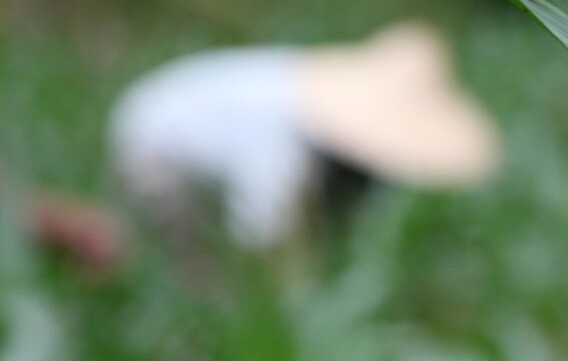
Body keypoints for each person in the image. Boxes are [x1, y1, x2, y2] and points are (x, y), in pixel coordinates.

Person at [108, 22, 501, 250]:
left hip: (180, 128)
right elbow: (259, 228)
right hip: (156, 145)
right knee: (205, 276)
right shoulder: (285, 126)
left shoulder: (316, 109)